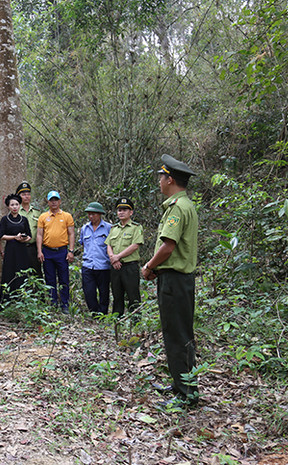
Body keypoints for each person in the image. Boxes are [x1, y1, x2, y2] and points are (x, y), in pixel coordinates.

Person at [142, 154, 199, 406]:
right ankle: (180, 384)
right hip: (175, 279)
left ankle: (187, 395)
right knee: (176, 333)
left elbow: (168, 246)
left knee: (177, 335)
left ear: (170, 179)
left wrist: (149, 266)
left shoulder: (177, 208)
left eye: (161, 177)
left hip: (175, 281)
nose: (159, 182)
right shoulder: (184, 205)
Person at [37, 191, 75, 313]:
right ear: (48, 201)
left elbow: (71, 233)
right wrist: (39, 251)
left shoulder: (66, 216)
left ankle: (64, 304)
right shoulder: (43, 216)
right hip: (47, 251)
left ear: (59, 201)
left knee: (64, 279)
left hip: (62, 251)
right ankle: (53, 303)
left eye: (56, 199)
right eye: (51, 200)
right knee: (50, 279)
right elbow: (39, 235)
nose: (53, 202)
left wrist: (71, 251)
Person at [106, 198, 144, 316]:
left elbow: (135, 245)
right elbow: (108, 244)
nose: (121, 212)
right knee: (117, 295)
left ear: (131, 212)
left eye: (124, 210)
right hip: (115, 267)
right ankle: (117, 320)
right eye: (119, 210)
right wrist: (113, 258)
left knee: (133, 295)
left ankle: (136, 321)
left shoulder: (136, 227)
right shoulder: (114, 228)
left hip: (130, 267)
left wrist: (118, 257)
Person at [0, 193, 32, 302]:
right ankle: (6, 300)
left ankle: (21, 299)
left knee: (22, 273)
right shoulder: (5, 220)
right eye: (12, 205)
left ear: (20, 205)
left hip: (22, 250)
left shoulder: (24, 219)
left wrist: (24, 238)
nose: (15, 207)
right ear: (8, 206)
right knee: (9, 273)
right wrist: (14, 237)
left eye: (17, 204)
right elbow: (1, 236)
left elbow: (29, 235)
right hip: (10, 249)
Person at [79, 202, 112, 314]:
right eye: (89, 214)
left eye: (93, 214)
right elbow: (83, 244)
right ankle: (94, 313)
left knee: (104, 292)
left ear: (100, 214)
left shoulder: (108, 228)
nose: (91, 216)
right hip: (88, 265)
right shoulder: (84, 228)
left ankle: (103, 314)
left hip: (103, 265)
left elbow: (111, 246)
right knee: (89, 292)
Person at [17, 182, 42, 275]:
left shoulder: (37, 211)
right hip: (20, 247)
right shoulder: (16, 211)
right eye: (23, 195)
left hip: (33, 248)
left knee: (36, 273)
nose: (26, 197)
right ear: (19, 196)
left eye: (28, 194)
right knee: (21, 274)